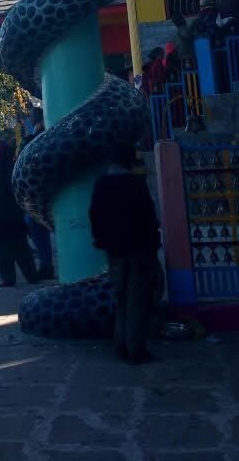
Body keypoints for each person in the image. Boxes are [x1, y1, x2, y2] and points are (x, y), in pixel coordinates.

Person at [89, 144, 161, 365]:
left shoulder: (102, 184)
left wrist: (102, 240)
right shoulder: (136, 184)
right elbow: (149, 216)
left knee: (121, 296)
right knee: (138, 298)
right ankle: (135, 348)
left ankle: (121, 343)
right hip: (139, 249)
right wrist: (154, 243)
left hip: (114, 250)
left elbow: (94, 215)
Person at [0, 140, 39, 287]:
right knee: (22, 247)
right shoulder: (14, 167)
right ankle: (31, 275)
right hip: (15, 214)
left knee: (3, 249)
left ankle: (9, 278)